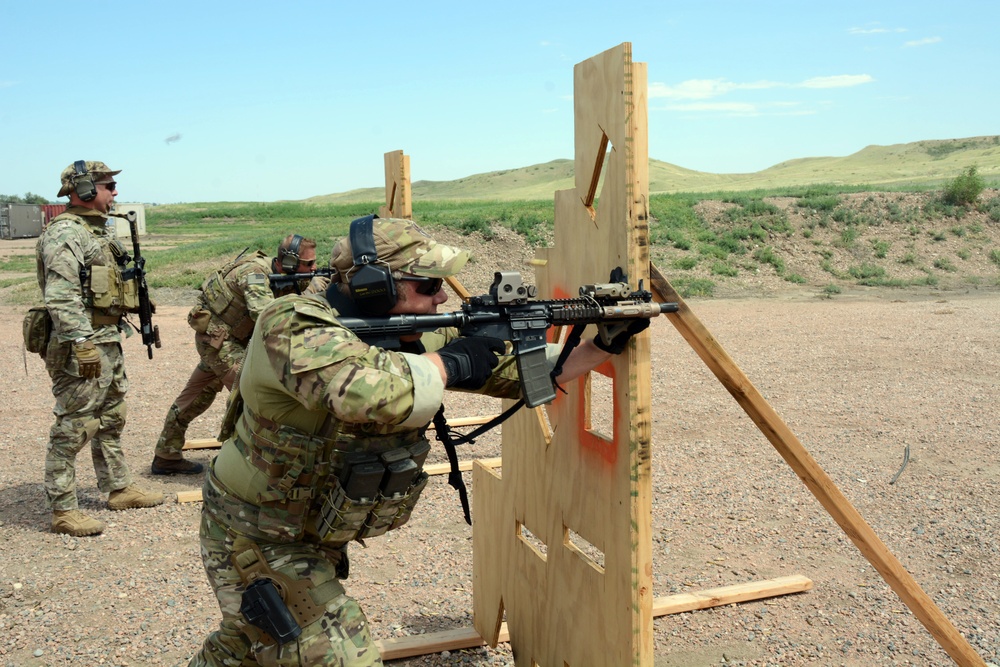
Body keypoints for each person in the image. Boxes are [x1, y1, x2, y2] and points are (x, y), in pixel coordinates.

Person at [188, 216, 646, 666]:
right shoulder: (290, 324)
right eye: (428, 286)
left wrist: (600, 346)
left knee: (246, 640)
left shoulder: (405, 329)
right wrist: (452, 362)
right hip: (254, 532)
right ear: (375, 285)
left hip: (312, 531)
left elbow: (512, 373)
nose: (442, 295)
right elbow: (360, 394)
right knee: (338, 651)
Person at [36, 160, 164, 538]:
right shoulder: (65, 234)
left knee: (111, 418)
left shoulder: (100, 232)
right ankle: (63, 509)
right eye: (108, 185)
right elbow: (61, 296)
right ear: (86, 190)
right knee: (74, 426)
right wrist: (81, 343)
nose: (115, 192)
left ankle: (118, 487)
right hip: (82, 344)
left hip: (106, 338)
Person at [150, 234, 319, 475]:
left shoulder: (286, 274)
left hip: (232, 339)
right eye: (308, 264)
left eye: (314, 263)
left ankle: (166, 454)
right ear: (289, 263)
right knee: (252, 394)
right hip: (219, 341)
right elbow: (266, 321)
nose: (313, 268)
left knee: (197, 394)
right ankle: (252, 464)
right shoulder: (254, 275)